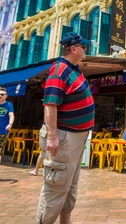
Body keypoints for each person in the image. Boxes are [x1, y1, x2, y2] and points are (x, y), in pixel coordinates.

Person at [36, 32, 94, 224]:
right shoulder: (60, 69)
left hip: (75, 138)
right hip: (64, 137)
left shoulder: (74, 70)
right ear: (74, 49)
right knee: (56, 187)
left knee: (69, 187)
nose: (86, 49)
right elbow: (50, 104)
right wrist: (52, 137)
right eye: (83, 46)